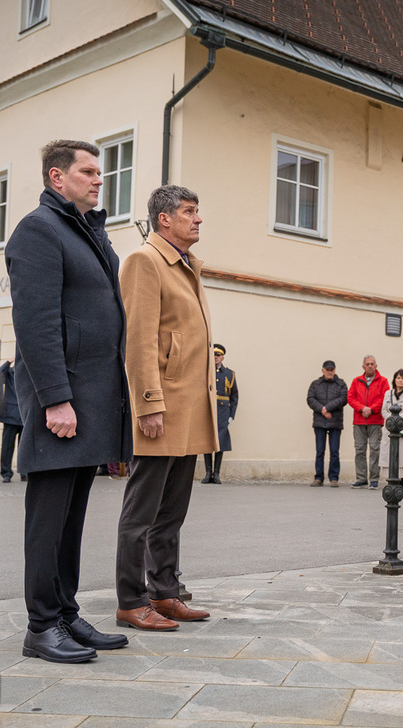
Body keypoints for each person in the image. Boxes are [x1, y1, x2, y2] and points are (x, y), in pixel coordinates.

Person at [5, 138, 133, 663]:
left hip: (90, 397)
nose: (99, 179)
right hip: (62, 399)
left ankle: (65, 613)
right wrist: (55, 399)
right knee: (48, 518)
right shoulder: (39, 229)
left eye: (100, 172)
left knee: (71, 518)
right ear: (57, 177)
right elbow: (35, 324)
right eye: (88, 171)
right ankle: (41, 626)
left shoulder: (87, 230)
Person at [115, 184, 216, 632]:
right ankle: (130, 600)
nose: (198, 219)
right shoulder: (145, 261)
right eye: (189, 212)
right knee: (141, 514)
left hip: (189, 407)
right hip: (162, 406)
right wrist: (148, 404)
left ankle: (164, 592)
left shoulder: (188, 264)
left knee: (172, 513)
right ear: (165, 219)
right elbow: (138, 339)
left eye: (197, 211)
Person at [347, 355, 389, 489]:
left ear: (376, 366)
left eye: (372, 364)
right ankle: (361, 478)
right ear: (363, 367)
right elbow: (350, 397)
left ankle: (374, 479)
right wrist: (362, 408)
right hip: (359, 421)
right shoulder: (356, 381)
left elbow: (384, 398)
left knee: (375, 450)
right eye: (367, 364)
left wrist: (371, 409)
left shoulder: (383, 381)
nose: (370, 366)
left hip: (375, 420)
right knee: (359, 450)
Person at [307, 359, 348, 487]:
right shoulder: (315, 384)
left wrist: (327, 408)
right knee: (320, 451)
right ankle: (318, 477)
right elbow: (310, 399)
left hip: (335, 421)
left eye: (332, 370)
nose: (330, 372)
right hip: (320, 422)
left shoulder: (341, 384)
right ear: (323, 370)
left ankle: (334, 478)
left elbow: (343, 399)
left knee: (334, 451)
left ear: (334, 371)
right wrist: (322, 410)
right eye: (327, 370)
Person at [202, 343, 237, 484]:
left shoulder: (229, 374)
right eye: (214, 355)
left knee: (220, 441)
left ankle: (216, 473)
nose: (215, 357)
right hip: (208, 410)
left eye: (218, 355)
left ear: (222, 357)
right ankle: (207, 473)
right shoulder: (206, 372)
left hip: (223, 412)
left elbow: (234, 396)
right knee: (207, 441)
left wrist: (231, 415)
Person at [0, 356, 25, 482]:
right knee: (7, 447)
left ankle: (24, 472)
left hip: (24, 416)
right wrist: (8, 362)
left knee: (24, 447)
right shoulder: (9, 372)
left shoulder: (28, 373)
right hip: (10, 416)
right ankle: (6, 473)